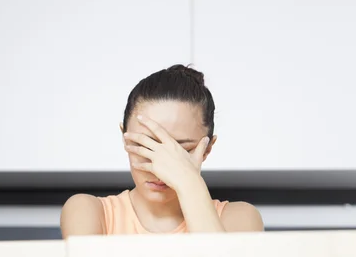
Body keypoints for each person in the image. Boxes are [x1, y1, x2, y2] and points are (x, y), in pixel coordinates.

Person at [60, 64, 264, 237]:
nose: (160, 168)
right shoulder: (88, 211)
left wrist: (189, 184)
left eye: (180, 151)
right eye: (146, 146)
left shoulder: (240, 219)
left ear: (207, 149)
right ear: (124, 136)